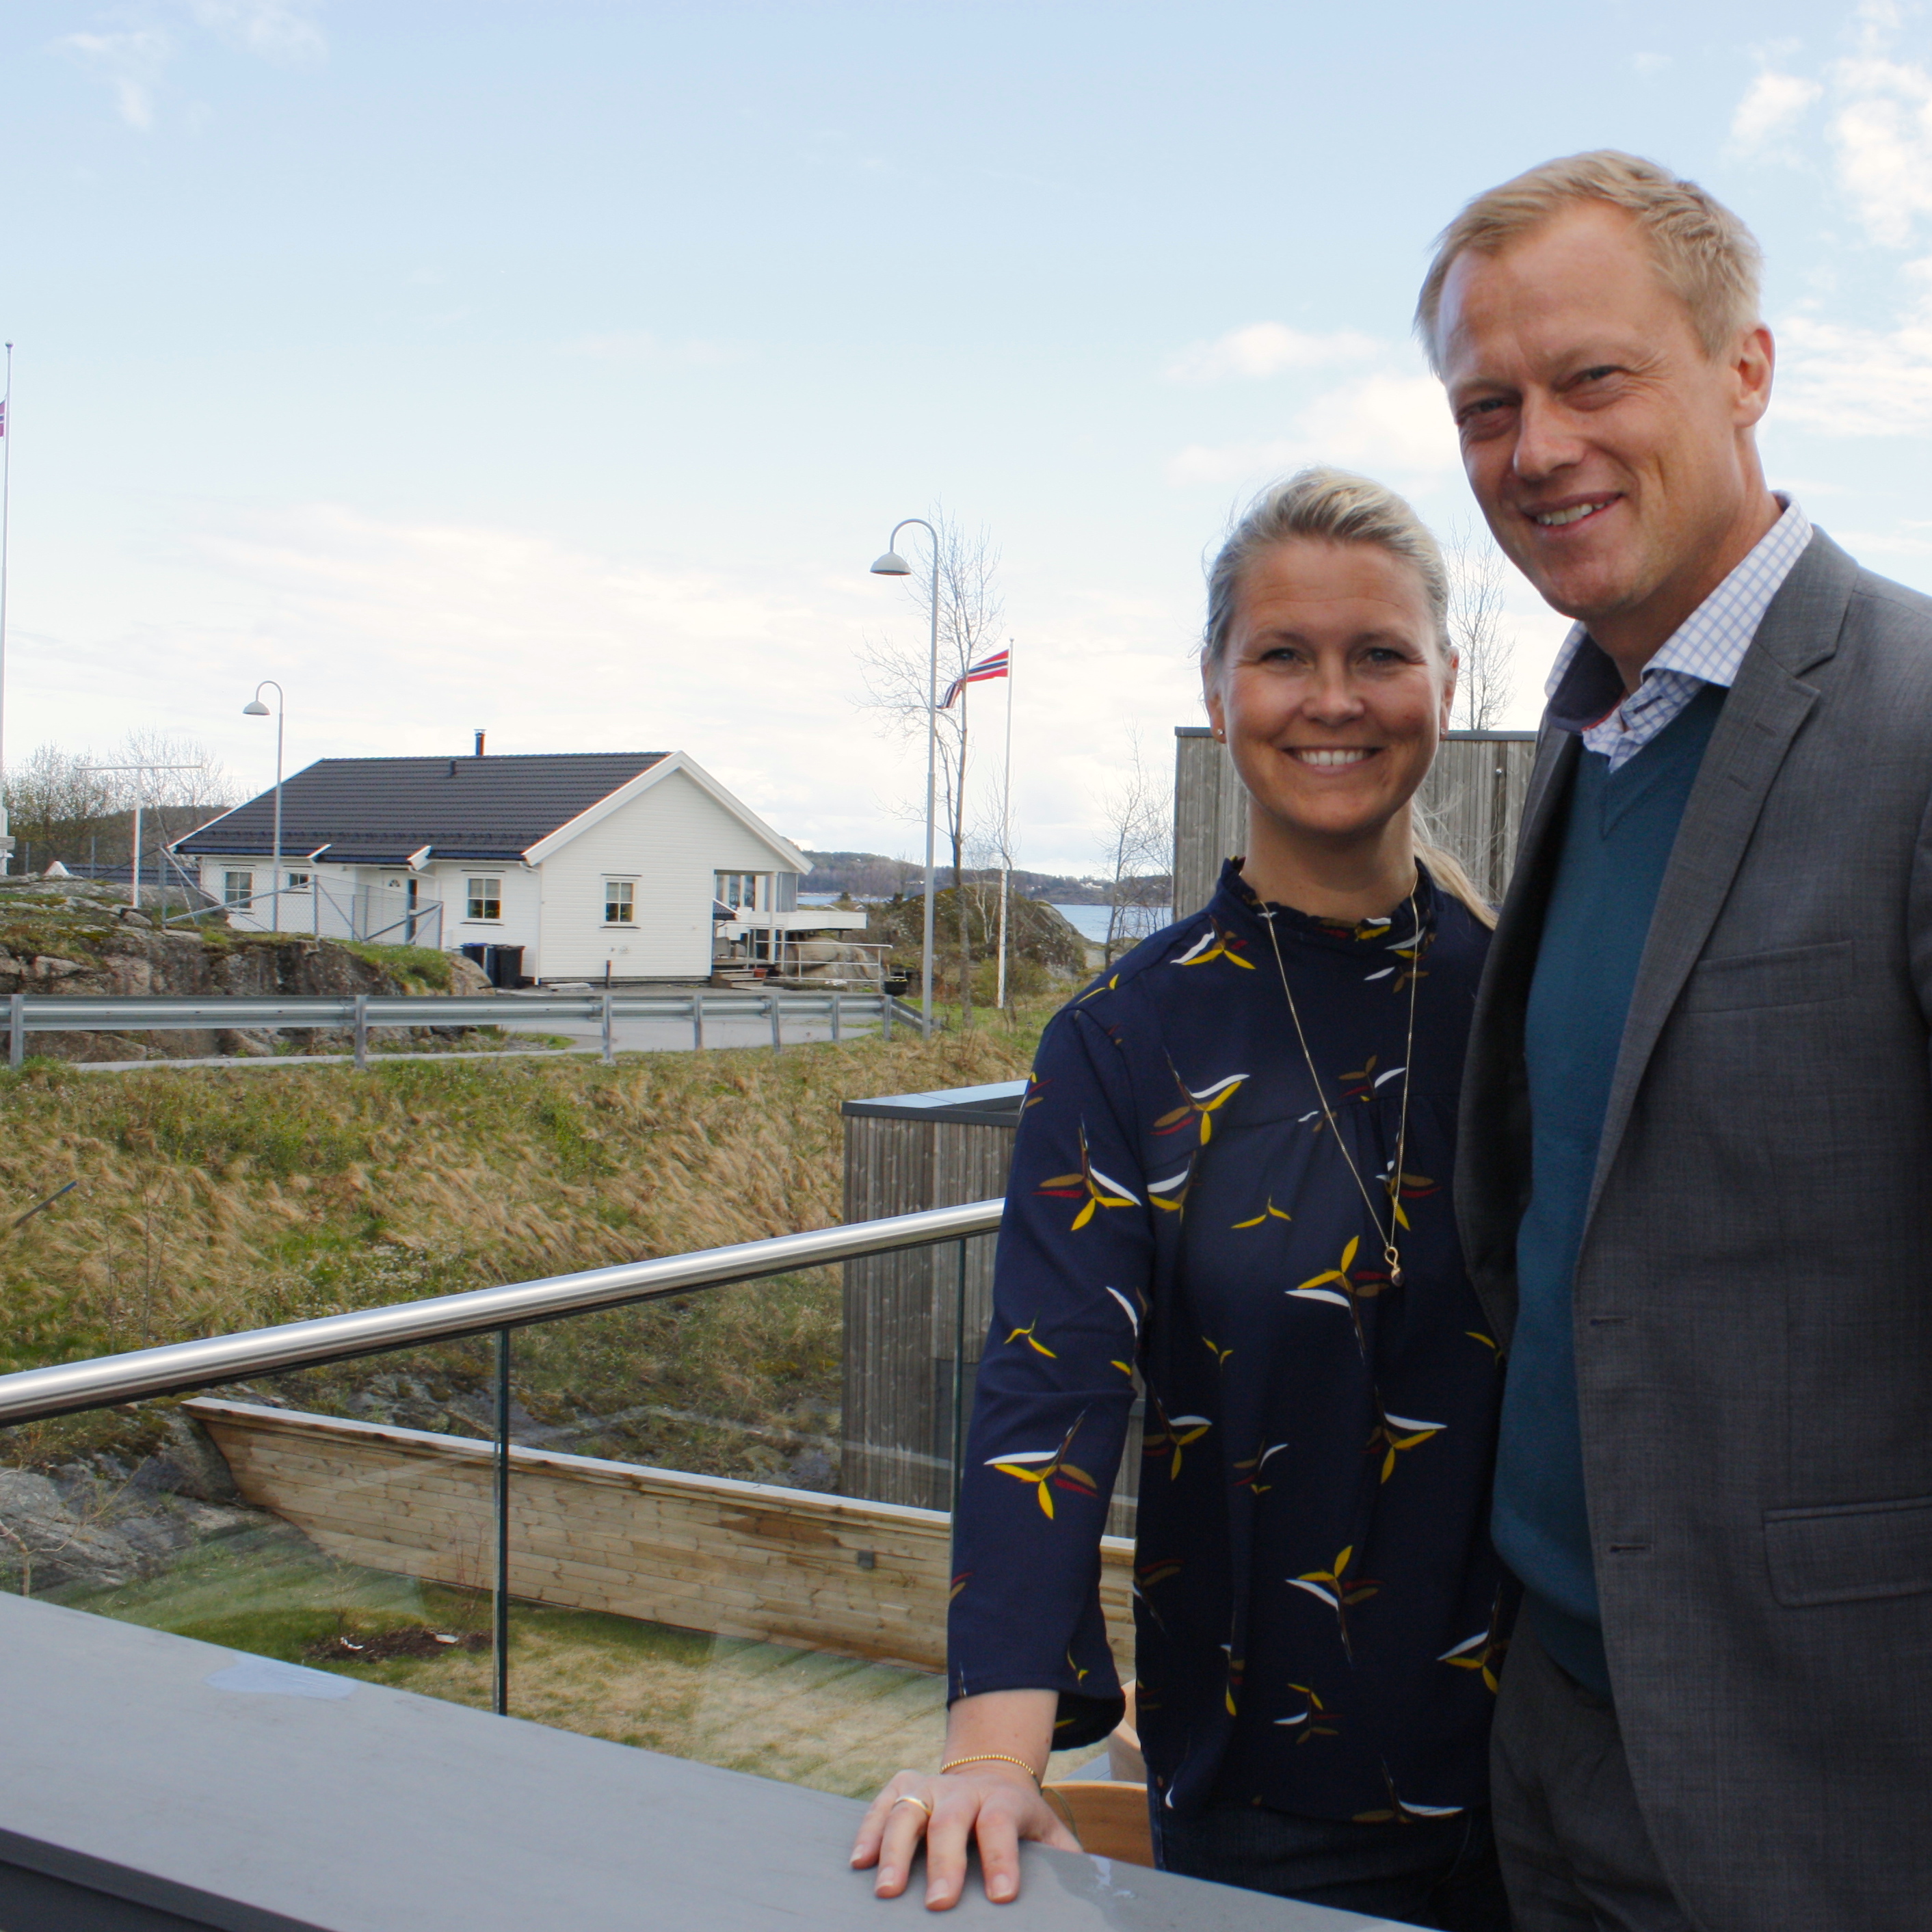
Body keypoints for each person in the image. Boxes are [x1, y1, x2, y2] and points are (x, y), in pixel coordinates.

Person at [851, 468, 1514, 1929]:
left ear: (1445, 684)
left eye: (1379, 653)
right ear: (1217, 691)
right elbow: (1050, 1385)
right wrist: (991, 1753)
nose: (1331, 697)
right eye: (1283, 654)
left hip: (1565, 1774)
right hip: (1272, 1796)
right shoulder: (1122, 1042)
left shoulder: (1529, 1002)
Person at [1418, 150, 1932, 1932]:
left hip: (1819, 1777)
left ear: (1745, 370)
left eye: (1593, 378)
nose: (1537, 448)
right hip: (1553, 1720)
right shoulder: (1596, 743)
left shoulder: (1914, 725)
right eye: (1487, 407)